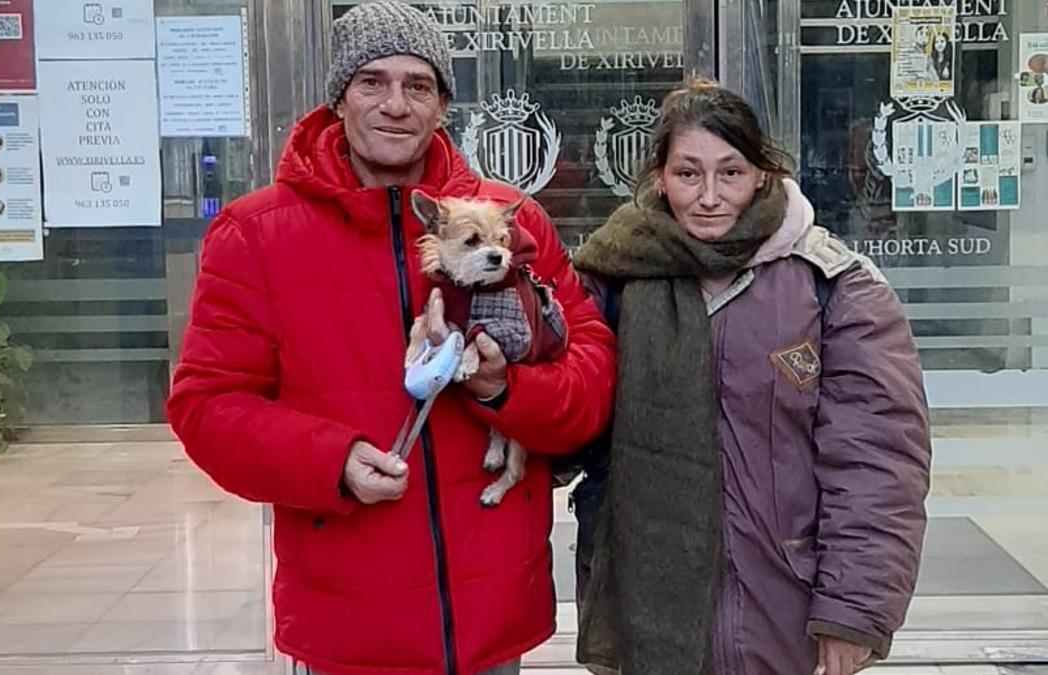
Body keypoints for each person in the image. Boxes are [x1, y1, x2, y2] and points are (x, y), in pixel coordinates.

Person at [165, 3, 616, 674]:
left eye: (418, 85)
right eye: (372, 82)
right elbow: (207, 406)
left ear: (442, 106)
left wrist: (507, 390)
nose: (395, 104)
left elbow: (592, 371)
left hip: (492, 613)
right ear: (339, 100)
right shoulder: (255, 235)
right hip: (349, 618)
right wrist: (331, 460)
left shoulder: (506, 221)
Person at [572, 78, 931, 675]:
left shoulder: (835, 287)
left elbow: (876, 464)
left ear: (762, 174)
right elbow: (566, 433)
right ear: (659, 177)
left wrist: (854, 611)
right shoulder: (611, 280)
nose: (710, 195)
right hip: (641, 614)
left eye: (730, 173)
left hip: (783, 615)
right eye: (689, 173)